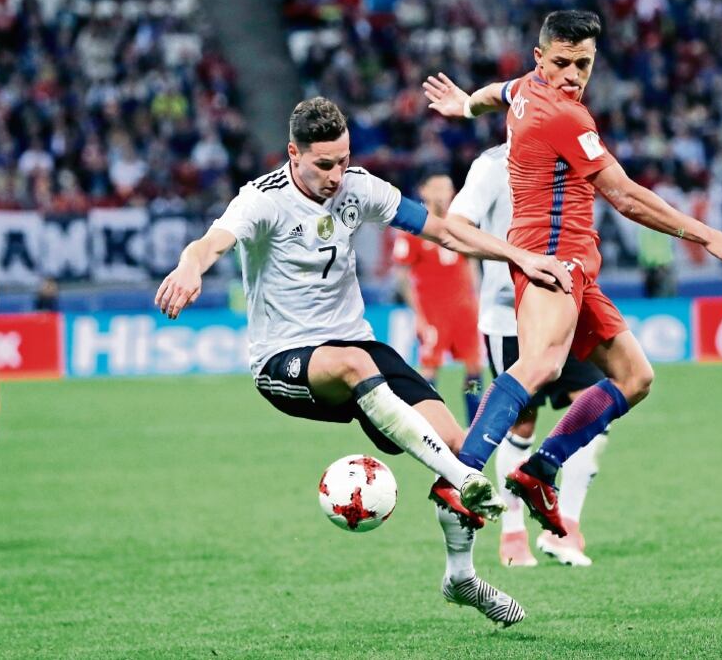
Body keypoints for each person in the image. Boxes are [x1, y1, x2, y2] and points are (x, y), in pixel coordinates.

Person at [155, 97, 572, 626]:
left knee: (462, 446)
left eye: (343, 159)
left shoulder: (359, 187)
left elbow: (443, 230)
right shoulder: (262, 200)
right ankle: (459, 478)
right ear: (294, 154)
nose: (336, 175)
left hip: (359, 349)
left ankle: (461, 576)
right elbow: (209, 242)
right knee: (357, 367)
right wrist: (190, 267)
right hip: (285, 361)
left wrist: (520, 255)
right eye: (324, 164)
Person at [423, 10, 722, 537]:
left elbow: (495, 94)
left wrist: (464, 105)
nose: (572, 75)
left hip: (580, 265)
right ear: (540, 58)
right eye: (561, 63)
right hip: (553, 256)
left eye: (583, 63)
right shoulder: (564, 116)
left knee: (635, 377)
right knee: (541, 366)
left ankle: (540, 469)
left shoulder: (527, 89)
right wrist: (709, 235)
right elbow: (625, 197)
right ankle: (458, 478)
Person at [448, 143, 607, 568]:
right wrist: (513, 259)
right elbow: (457, 223)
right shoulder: (490, 166)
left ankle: (566, 529)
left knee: (590, 409)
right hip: (508, 311)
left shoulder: (576, 152)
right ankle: (513, 534)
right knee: (523, 423)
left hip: (571, 302)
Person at [392, 173, 483, 426]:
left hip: (464, 311)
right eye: (438, 188)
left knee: (474, 369)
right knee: (430, 369)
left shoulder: (461, 224)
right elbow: (402, 275)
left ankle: (474, 422)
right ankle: (426, 423)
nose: (444, 194)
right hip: (433, 313)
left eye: (448, 188)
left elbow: (472, 260)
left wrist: (475, 298)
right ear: (424, 191)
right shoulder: (413, 228)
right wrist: (418, 315)